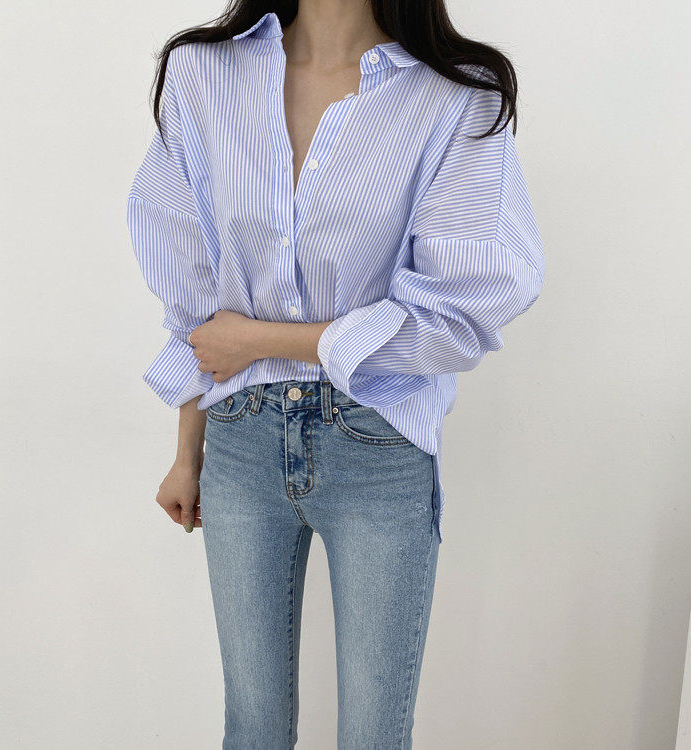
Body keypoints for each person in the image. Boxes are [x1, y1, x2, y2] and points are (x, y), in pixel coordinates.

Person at [126, 1, 545, 747]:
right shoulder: (203, 72)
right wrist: (187, 452)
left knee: (374, 735)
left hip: (378, 442)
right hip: (241, 442)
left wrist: (261, 340)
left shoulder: (455, 96)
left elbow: (459, 313)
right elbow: (194, 291)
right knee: (252, 727)